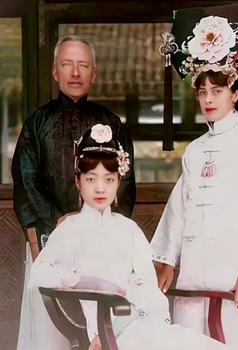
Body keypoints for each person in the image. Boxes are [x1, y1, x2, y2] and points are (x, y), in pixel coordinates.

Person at [29, 123, 230, 350]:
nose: (100, 188)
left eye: (108, 180)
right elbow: (40, 273)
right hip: (105, 334)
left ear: (118, 183)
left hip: (143, 327)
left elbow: (149, 293)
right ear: (78, 182)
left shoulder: (129, 229)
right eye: (91, 179)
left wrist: (132, 315)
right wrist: (81, 281)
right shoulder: (70, 229)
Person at [151, 14, 238, 350]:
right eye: (203, 91)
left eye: (218, 90)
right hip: (197, 267)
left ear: (235, 93)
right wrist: (167, 257)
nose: (209, 99)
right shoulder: (194, 152)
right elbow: (179, 208)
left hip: (235, 269)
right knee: (191, 339)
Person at [12, 36, 135, 350]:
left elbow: (126, 185)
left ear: (94, 73)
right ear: (55, 72)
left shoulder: (111, 123)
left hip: (100, 248)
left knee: (99, 333)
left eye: (83, 65)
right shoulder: (37, 123)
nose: (75, 72)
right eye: (67, 64)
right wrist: (50, 228)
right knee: (47, 334)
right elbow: (26, 182)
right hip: (47, 242)